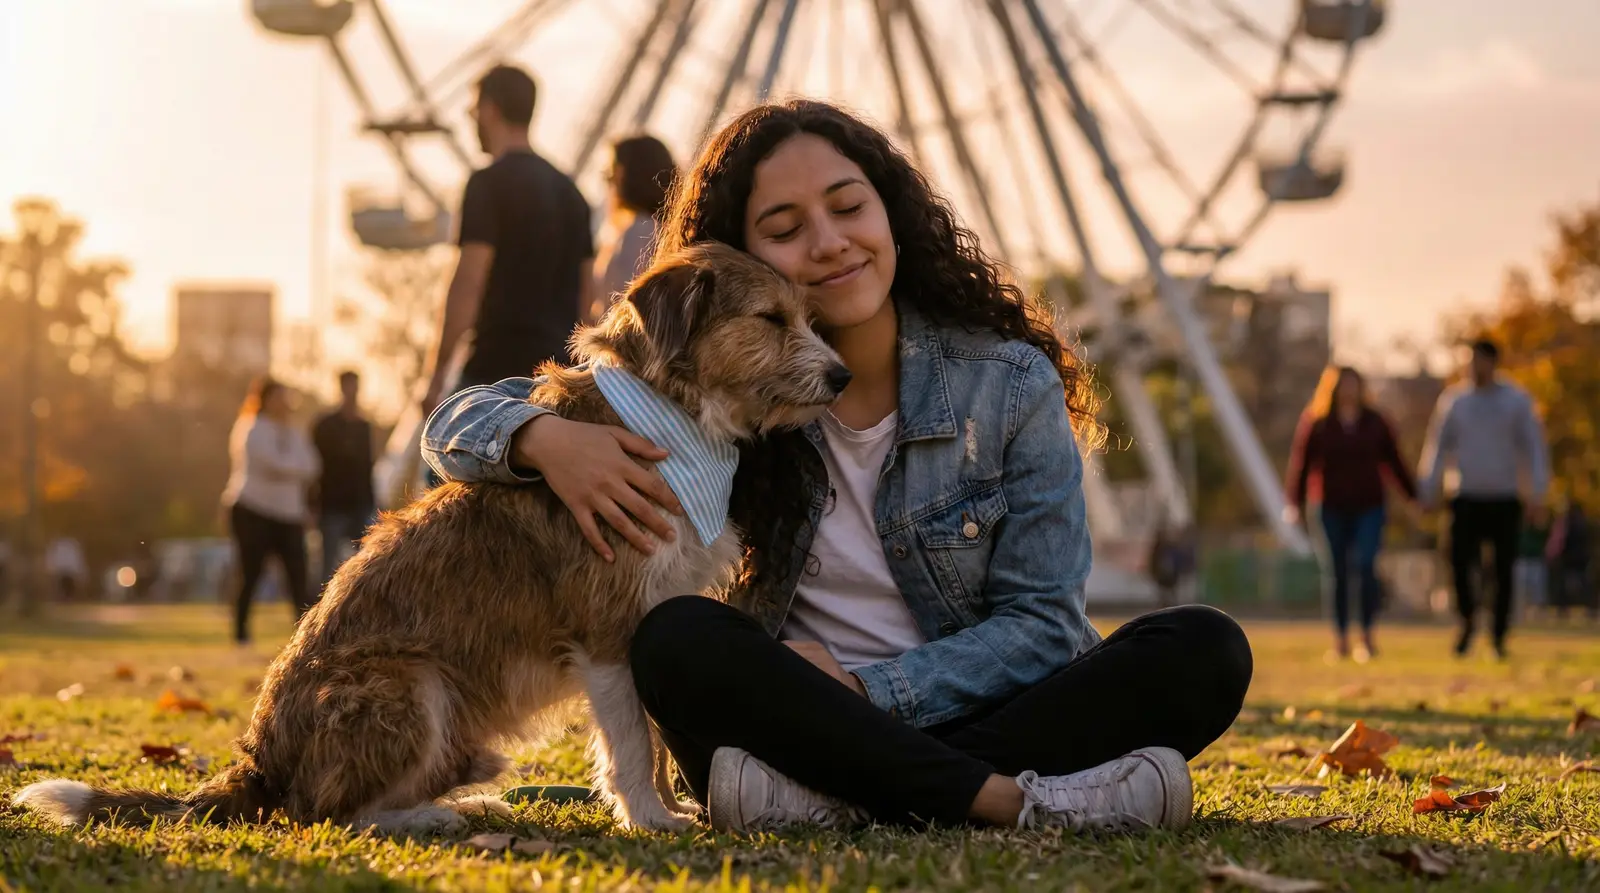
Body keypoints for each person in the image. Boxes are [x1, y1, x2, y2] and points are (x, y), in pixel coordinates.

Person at [421, 99, 1252, 836]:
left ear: (892, 212)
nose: (828, 244)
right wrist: (539, 440)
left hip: (940, 712)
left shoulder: (1008, 383)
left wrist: (868, 688)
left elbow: (1038, 625)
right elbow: (455, 421)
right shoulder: (718, 398)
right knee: (676, 638)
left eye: (849, 206)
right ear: (740, 259)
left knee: (1204, 647)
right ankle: (1011, 799)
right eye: (783, 231)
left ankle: (843, 798)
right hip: (784, 717)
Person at [419, 63, 597, 420]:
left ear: (490, 110)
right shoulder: (572, 193)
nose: (472, 120)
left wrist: (435, 376)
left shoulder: (487, 184)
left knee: (442, 461)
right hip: (555, 377)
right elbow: (587, 297)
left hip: (495, 369)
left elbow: (468, 283)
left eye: (473, 110)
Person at [1418, 338, 1550, 659]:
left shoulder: (1516, 401)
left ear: (1493, 362)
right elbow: (1437, 446)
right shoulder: (1455, 402)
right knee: (1460, 564)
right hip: (1465, 495)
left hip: (1503, 497)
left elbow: (1534, 447)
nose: (1474, 368)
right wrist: (1427, 487)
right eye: (1469, 361)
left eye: (1479, 361)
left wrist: (1537, 492)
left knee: (1503, 570)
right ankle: (1467, 621)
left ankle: (1498, 634)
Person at [1283, 365, 1418, 663]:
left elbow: (1394, 462)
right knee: (1338, 572)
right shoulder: (1317, 422)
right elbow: (1301, 465)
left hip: (1369, 506)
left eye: (1353, 384)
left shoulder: (1375, 422)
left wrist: (1413, 496)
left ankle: (1367, 637)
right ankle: (1341, 639)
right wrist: (1294, 503)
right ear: (1332, 388)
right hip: (1329, 507)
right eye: (1343, 385)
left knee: (1366, 565)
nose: (1348, 390)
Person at [222, 376, 320, 645]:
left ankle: (306, 635)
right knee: (251, 572)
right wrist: (294, 469)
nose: (282, 403)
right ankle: (241, 632)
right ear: (264, 399)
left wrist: (293, 468)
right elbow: (273, 464)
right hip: (253, 510)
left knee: (297, 576)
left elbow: (312, 466)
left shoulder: (294, 432)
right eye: (276, 396)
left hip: (289, 514)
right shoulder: (251, 428)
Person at [588, 134, 677, 323]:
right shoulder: (664, 232)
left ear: (623, 177)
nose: (608, 186)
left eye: (609, 175)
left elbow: (619, 306)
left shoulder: (638, 234)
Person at [311, 370, 377, 588]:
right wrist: (313, 504)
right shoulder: (325, 426)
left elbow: (368, 468)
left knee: (369, 561)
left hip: (360, 504)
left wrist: (372, 503)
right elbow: (313, 467)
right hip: (332, 505)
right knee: (326, 565)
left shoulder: (363, 427)